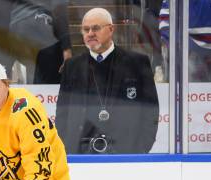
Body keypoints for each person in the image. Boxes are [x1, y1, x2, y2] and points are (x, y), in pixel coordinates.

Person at [56, 8, 159, 154]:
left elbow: (151, 111)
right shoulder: (72, 66)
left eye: (96, 28)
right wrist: (67, 148)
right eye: (86, 29)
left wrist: (140, 150)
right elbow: (62, 113)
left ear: (111, 29)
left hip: (126, 154)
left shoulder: (137, 63)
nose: (90, 33)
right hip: (80, 154)